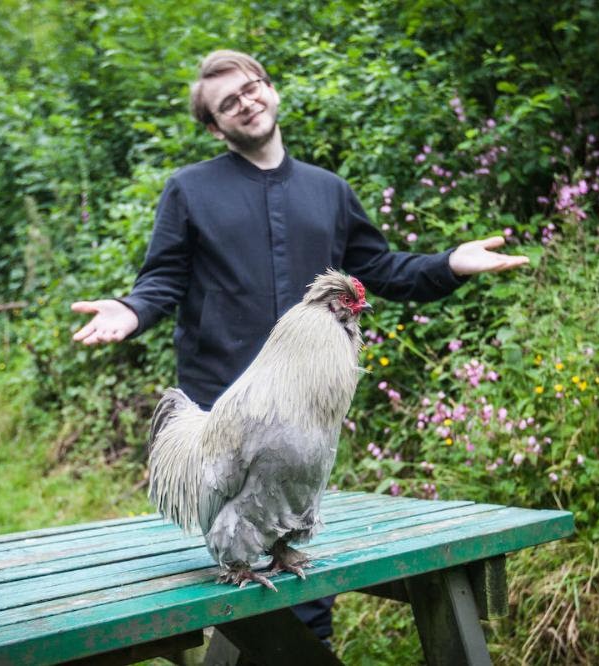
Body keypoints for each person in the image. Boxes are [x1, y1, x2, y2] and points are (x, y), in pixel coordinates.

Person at [72, 49, 528, 646]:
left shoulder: (328, 190)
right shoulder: (188, 191)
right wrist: (131, 309)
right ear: (214, 126)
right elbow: (163, 278)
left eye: (252, 87)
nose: (246, 102)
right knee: (234, 596)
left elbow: (381, 269)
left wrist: (449, 263)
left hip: (302, 419)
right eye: (227, 103)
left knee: (298, 580)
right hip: (223, 415)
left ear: (270, 89)